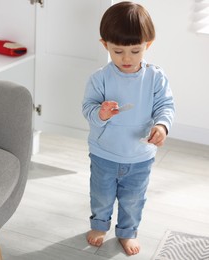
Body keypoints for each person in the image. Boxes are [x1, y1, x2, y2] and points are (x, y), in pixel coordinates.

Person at [81, 1, 175, 256]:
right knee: (101, 196)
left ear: (148, 44)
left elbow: (166, 105)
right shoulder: (99, 78)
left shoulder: (156, 77)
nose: (126, 58)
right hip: (104, 153)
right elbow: (87, 108)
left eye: (135, 51)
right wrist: (100, 113)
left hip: (140, 156)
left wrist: (161, 126)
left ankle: (127, 232)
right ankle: (100, 225)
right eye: (117, 51)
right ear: (105, 45)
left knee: (133, 199)